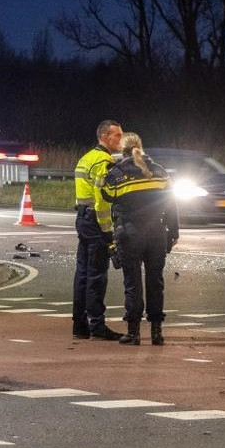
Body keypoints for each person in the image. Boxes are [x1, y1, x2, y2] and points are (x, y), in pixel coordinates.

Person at [101, 133, 178, 346]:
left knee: (132, 282)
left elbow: (106, 195)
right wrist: (173, 232)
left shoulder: (117, 173)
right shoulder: (159, 171)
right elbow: (172, 204)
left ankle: (133, 333)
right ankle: (156, 332)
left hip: (130, 232)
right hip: (156, 233)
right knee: (156, 281)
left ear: (122, 150)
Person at [72, 119, 125, 340]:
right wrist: (107, 232)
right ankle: (97, 325)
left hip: (82, 218)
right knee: (97, 276)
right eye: (117, 135)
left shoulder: (86, 158)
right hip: (95, 222)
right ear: (105, 136)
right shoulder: (104, 162)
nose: (121, 140)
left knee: (82, 274)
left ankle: (80, 325)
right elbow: (102, 201)